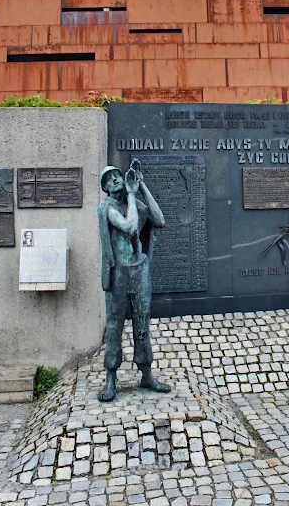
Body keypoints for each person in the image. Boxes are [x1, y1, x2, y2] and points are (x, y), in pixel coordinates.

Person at [97, 159, 171, 401]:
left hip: (139, 271)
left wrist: (142, 186)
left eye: (116, 175)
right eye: (108, 180)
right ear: (106, 188)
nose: (115, 180)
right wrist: (130, 193)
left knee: (142, 322)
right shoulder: (107, 207)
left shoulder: (134, 203)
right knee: (114, 324)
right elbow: (130, 227)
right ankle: (110, 377)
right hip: (118, 272)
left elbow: (159, 221)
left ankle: (146, 373)